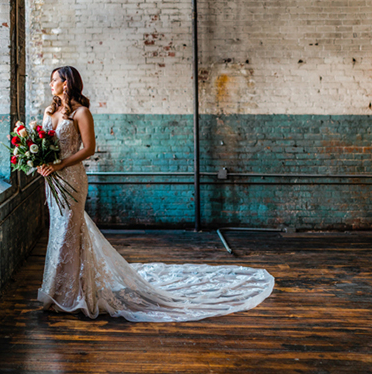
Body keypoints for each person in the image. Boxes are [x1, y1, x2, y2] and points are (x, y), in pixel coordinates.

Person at [37, 66, 274, 322]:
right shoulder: (49, 112)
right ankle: (58, 291)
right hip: (53, 180)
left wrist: (61, 165)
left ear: (68, 83)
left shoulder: (82, 113)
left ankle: (70, 296)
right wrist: (41, 162)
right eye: (51, 81)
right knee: (59, 232)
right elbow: (44, 145)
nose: (51, 84)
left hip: (72, 179)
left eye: (55, 80)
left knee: (69, 233)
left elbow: (89, 149)